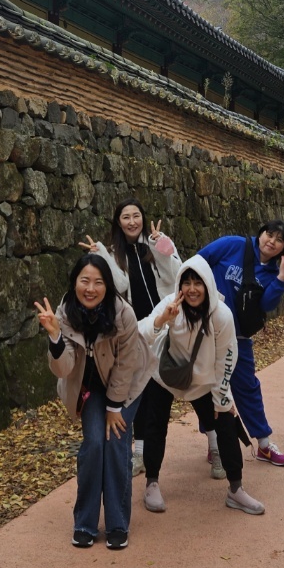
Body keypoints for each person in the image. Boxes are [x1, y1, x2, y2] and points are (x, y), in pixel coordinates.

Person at [35, 253, 151, 550]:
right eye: (84, 281)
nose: (90, 288)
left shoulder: (123, 313)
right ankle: (85, 523)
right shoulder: (64, 313)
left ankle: (117, 524)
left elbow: (126, 364)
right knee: (95, 443)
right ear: (74, 282)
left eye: (98, 282)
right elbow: (64, 369)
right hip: (90, 388)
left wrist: (114, 407)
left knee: (116, 443)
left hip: (128, 384)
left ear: (107, 285)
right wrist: (55, 337)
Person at [137, 256, 265, 516]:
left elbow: (226, 357)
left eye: (198, 283)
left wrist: (221, 398)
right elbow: (140, 333)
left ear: (208, 284)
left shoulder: (221, 314)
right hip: (165, 374)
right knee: (155, 424)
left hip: (202, 381)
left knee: (225, 421)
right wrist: (162, 319)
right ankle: (152, 483)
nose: (192, 289)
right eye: (187, 283)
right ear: (179, 285)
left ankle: (236, 489)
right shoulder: (171, 303)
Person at [78, 199, 180, 475]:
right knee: (141, 390)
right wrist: (103, 254)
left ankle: (214, 442)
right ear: (118, 222)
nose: (132, 221)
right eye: (126, 217)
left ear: (143, 218)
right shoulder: (115, 252)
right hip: (138, 330)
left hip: (167, 322)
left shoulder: (158, 242)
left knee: (185, 381)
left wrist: (161, 247)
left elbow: (175, 275)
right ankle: (140, 452)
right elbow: (121, 284)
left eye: (136, 215)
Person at [199, 221, 284, 469]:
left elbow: (266, 305)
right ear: (261, 233)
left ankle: (264, 444)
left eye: (279, 240)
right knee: (206, 387)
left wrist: (282, 275)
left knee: (248, 388)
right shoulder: (231, 245)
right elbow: (198, 263)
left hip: (239, 338)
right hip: (207, 331)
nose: (271, 241)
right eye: (269, 234)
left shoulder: (273, 271)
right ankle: (214, 444)